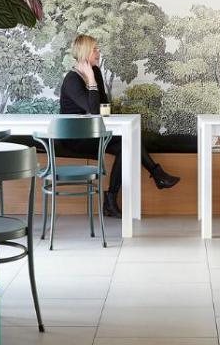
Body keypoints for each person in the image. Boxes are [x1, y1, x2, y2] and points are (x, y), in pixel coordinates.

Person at [59, 34, 179, 218]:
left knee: (128, 144)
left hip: (94, 132)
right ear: (84, 52)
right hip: (76, 138)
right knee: (128, 143)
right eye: (95, 49)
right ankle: (157, 174)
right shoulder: (72, 79)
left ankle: (112, 199)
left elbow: (103, 105)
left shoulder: (95, 71)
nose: (98, 52)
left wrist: (93, 78)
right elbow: (94, 110)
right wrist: (91, 81)